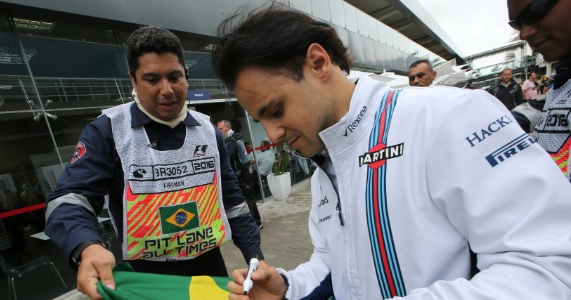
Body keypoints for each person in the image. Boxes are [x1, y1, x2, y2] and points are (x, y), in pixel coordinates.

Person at [213, 4, 571, 299]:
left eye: (276, 111)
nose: (273, 134)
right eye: (261, 119)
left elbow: (550, 268)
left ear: (318, 62)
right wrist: (288, 287)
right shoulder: (324, 157)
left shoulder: (449, 115)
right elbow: (335, 260)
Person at [44, 26, 263, 300]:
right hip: (146, 280)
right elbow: (69, 199)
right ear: (133, 81)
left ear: (186, 75)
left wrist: (256, 258)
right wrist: (87, 246)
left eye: (175, 77)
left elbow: (233, 201)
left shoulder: (208, 131)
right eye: (151, 79)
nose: (167, 90)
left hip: (210, 270)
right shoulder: (107, 131)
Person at [508, 0, 571, 179]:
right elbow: (539, 108)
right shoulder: (562, 81)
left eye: (535, 10)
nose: (524, 33)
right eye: (517, 24)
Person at [217, 120, 263, 229]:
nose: (219, 131)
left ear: (228, 128)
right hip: (243, 173)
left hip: (240, 176)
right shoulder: (236, 138)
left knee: (247, 199)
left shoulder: (230, 141)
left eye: (220, 129)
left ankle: (256, 223)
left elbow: (226, 161)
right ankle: (255, 222)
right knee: (248, 199)